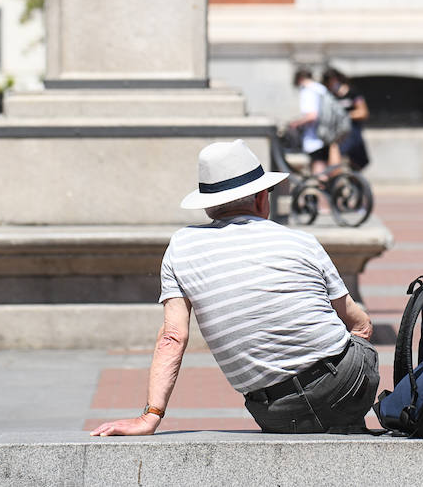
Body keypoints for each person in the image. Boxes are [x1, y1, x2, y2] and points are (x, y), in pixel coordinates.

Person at [90, 139, 379, 436]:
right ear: (259, 199)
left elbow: (173, 337)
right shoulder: (301, 242)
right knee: (359, 351)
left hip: (274, 411)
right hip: (344, 384)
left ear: (208, 207)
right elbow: (361, 326)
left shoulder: (181, 246)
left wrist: (150, 416)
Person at [323, 67, 370, 171]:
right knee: (334, 150)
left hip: (352, 130)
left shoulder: (353, 93)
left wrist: (344, 116)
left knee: (357, 161)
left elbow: (363, 112)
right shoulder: (329, 96)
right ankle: (335, 180)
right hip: (336, 132)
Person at [289, 68, 332, 176]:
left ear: (299, 79)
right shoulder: (320, 88)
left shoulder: (308, 91)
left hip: (315, 137)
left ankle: (319, 191)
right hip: (326, 132)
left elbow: (312, 116)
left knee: (318, 167)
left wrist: (296, 123)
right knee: (322, 163)